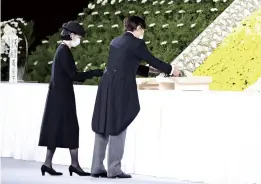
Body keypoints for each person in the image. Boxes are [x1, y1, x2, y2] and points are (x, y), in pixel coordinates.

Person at [90, 16, 181, 179]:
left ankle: (96, 167)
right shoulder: (137, 43)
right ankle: (114, 169)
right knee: (119, 122)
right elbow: (152, 59)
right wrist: (171, 69)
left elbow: (129, 63)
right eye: (143, 29)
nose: (143, 33)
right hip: (121, 87)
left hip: (106, 85)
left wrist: (151, 71)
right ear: (138, 28)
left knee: (102, 123)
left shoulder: (115, 42)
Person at [38, 21, 103, 176]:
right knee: (71, 127)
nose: (79, 40)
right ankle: (74, 165)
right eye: (79, 37)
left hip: (58, 95)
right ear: (72, 35)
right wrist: (95, 72)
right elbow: (74, 75)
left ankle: (48, 163)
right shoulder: (64, 51)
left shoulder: (62, 50)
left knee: (56, 127)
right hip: (62, 96)